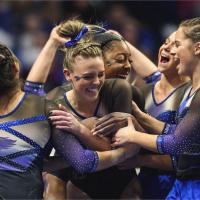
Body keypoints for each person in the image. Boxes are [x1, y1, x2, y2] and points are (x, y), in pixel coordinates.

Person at [45, 19, 140, 199]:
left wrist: (80, 129)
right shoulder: (55, 103)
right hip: (79, 180)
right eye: (88, 77)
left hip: (119, 178)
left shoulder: (117, 89)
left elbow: (120, 145)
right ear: (68, 75)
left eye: (101, 74)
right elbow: (77, 162)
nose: (96, 82)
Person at [111, 17, 200, 199]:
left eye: (177, 44)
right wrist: (139, 115)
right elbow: (178, 133)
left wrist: (133, 136)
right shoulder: (192, 91)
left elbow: (177, 143)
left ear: (197, 48)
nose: (172, 50)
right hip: (182, 184)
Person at [0, 25, 67, 199]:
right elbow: (82, 162)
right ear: (16, 68)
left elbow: (31, 93)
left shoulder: (38, 108)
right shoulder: (43, 109)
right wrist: (124, 154)